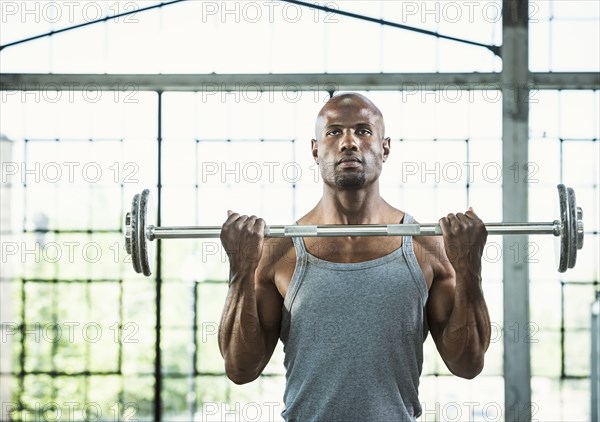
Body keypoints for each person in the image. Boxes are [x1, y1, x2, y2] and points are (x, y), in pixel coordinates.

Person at [218, 93, 491, 421]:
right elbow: (240, 368)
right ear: (315, 149)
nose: (348, 142)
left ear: (385, 147)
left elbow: (467, 364)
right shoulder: (279, 251)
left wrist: (469, 269)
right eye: (334, 132)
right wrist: (240, 270)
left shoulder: (427, 247)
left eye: (363, 131)